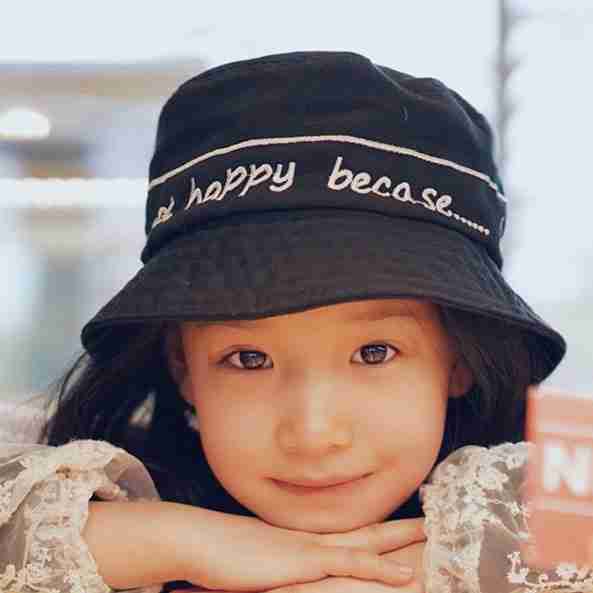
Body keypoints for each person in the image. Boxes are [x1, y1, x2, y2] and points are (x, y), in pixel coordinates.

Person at [1, 50, 590, 593]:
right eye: (248, 359)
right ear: (183, 367)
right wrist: (173, 543)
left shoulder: (542, 496)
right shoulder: (73, 496)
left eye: (374, 352)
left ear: (458, 359)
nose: (312, 433)